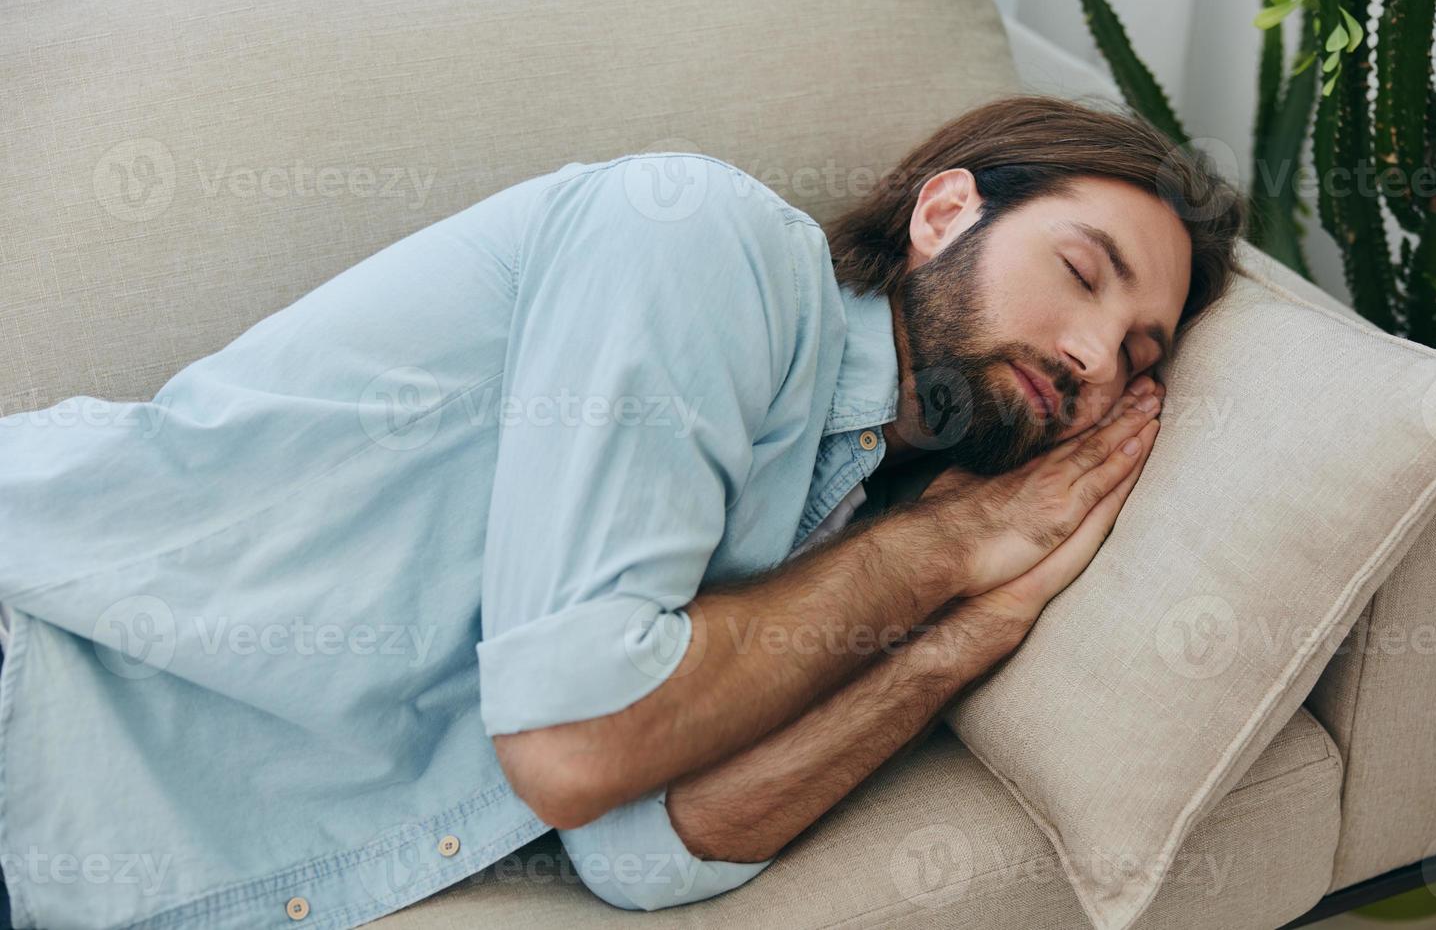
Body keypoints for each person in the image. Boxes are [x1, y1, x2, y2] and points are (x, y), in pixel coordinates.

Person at [0, 94, 1245, 928]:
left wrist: (971, 626)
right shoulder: (702, 245)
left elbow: (641, 847)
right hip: (40, 655)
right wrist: (944, 550)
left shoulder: (846, 517)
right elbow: (578, 741)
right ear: (942, 211)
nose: (1093, 354)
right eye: (1083, 271)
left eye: (1141, 355)